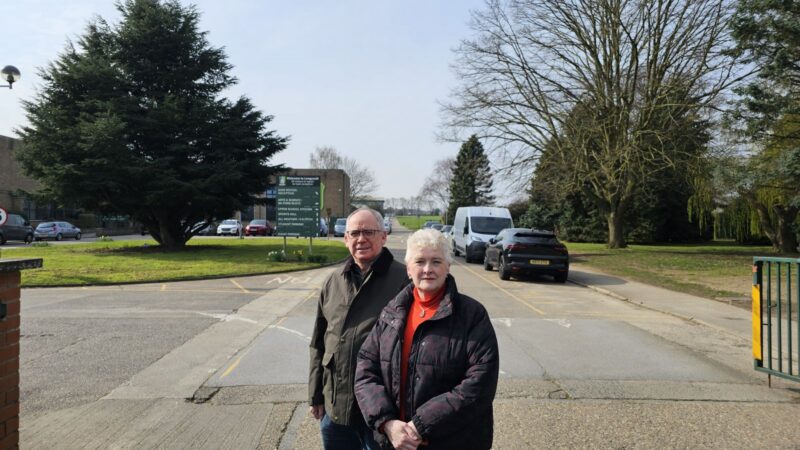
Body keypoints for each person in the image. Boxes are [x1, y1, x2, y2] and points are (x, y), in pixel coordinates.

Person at [354, 228, 499, 450]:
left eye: (436, 262)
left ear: (448, 267)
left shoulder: (472, 315)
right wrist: (387, 423)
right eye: (420, 261)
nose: (428, 269)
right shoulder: (392, 311)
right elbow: (365, 369)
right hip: (396, 441)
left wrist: (420, 425)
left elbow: (479, 385)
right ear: (409, 269)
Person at [309, 207, 410, 450]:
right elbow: (319, 343)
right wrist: (315, 395)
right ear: (346, 239)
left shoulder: (404, 280)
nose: (361, 239)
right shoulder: (333, 281)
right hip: (335, 410)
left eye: (369, 232)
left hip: (381, 412)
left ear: (383, 236)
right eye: (354, 233)